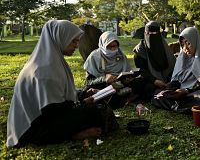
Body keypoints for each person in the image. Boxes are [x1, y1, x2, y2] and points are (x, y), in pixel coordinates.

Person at [7, 20, 118, 148]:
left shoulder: (52, 61)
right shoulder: (44, 69)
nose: (77, 45)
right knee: (95, 111)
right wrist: (82, 103)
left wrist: (81, 95)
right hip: (33, 129)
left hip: (46, 118)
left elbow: (59, 95)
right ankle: (72, 134)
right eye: (73, 41)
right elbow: (51, 111)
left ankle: (72, 131)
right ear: (60, 39)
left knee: (95, 109)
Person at [152, 27, 200, 114]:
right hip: (184, 93)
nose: (185, 48)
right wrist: (169, 88)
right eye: (182, 45)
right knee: (157, 94)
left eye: (188, 43)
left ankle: (178, 106)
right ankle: (182, 106)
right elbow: (178, 79)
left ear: (196, 41)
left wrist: (187, 91)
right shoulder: (183, 57)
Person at [84, 31, 144, 108]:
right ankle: (124, 99)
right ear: (103, 45)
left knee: (140, 82)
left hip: (120, 85)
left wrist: (127, 78)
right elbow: (89, 81)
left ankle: (121, 98)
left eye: (115, 46)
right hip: (104, 86)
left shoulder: (120, 54)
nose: (113, 49)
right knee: (89, 90)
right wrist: (104, 79)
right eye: (109, 46)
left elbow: (126, 72)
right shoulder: (94, 57)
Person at [133, 21, 176, 101]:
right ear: (145, 33)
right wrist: (155, 81)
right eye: (149, 33)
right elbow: (142, 71)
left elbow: (172, 65)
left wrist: (169, 80)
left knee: (176, 83)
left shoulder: (164, 46)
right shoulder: (140, 51)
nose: (152, 36)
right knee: (143, 85)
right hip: (150, 80)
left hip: (167, 79)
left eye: (155, 33)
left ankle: (165, 92)